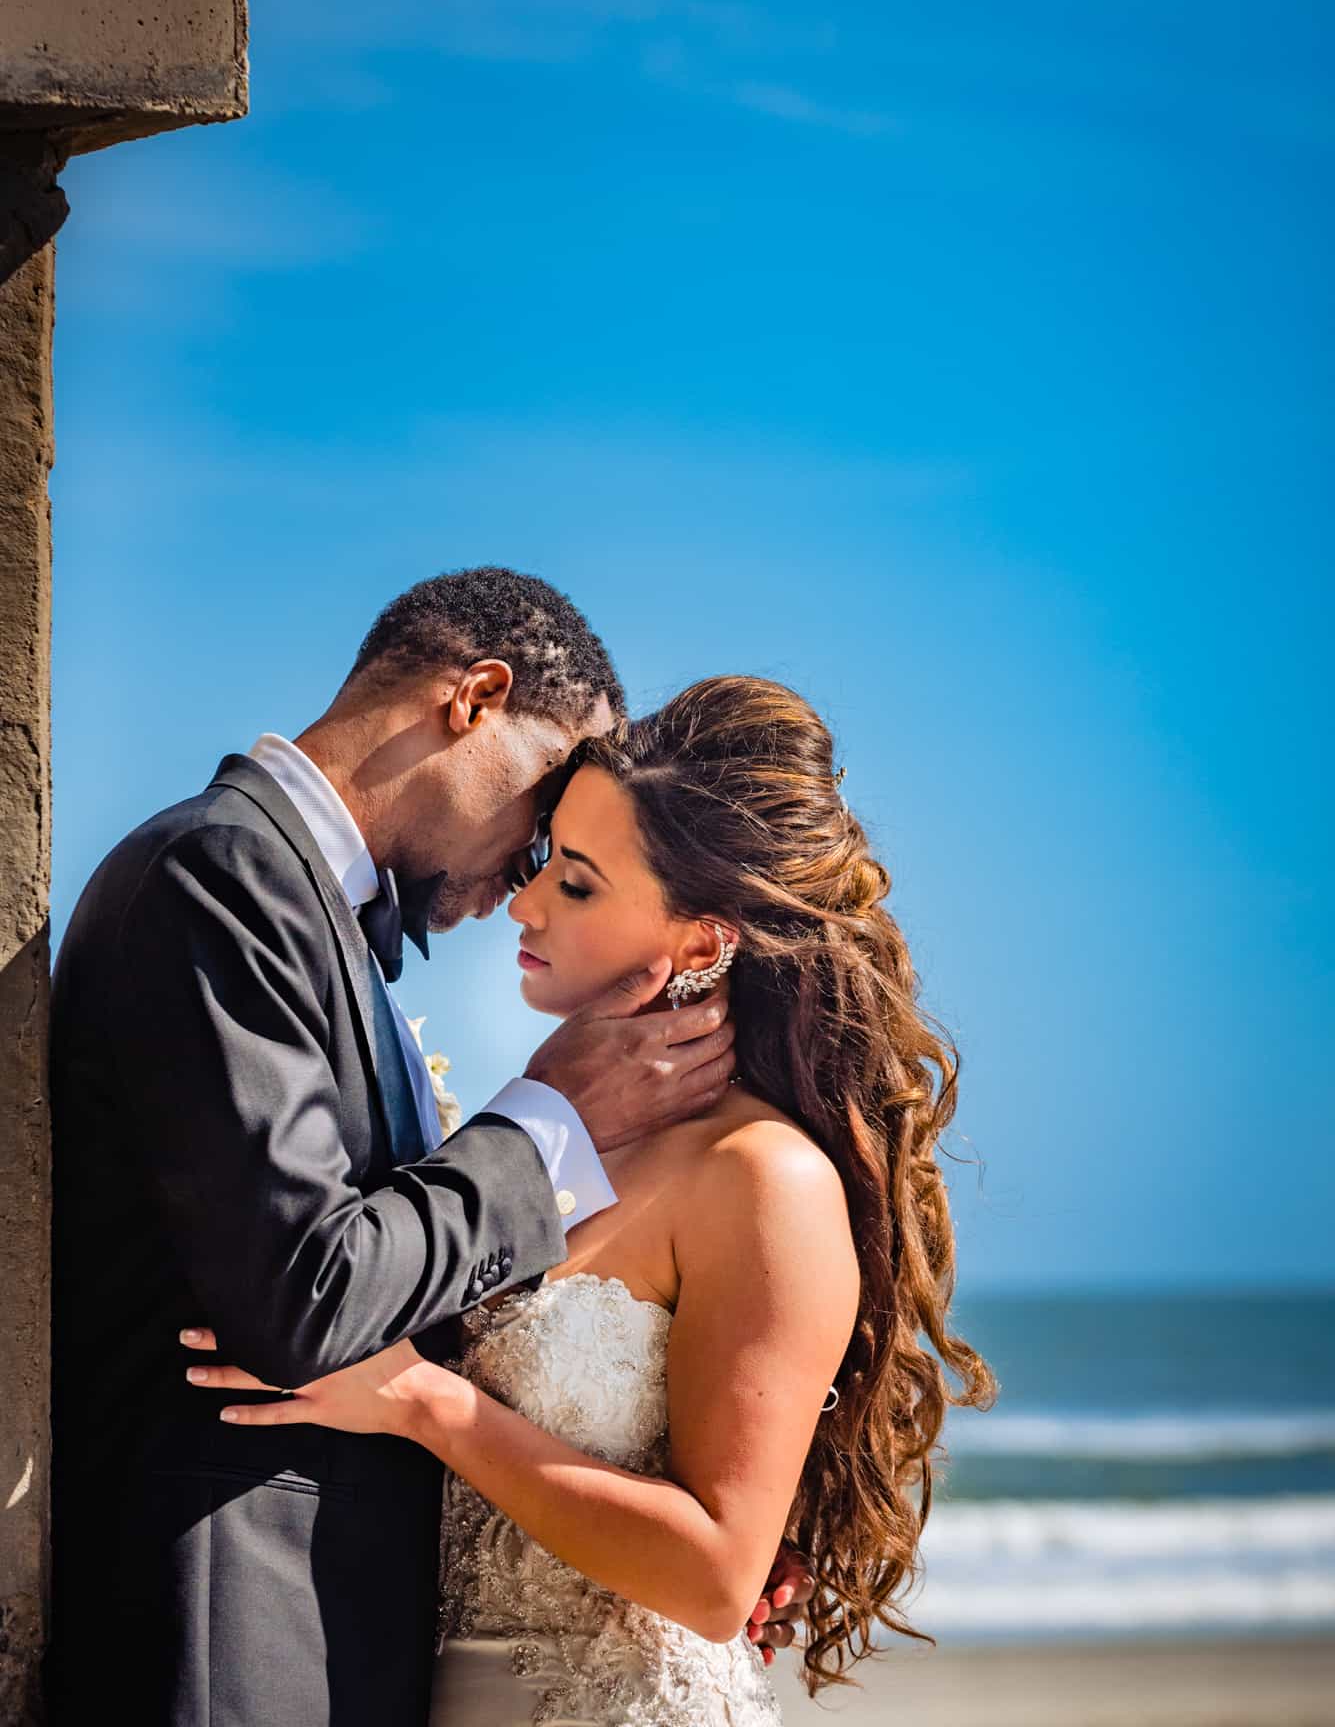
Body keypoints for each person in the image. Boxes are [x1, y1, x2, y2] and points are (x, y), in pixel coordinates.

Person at [48, 571, 808, 1727]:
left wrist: (692, 1499)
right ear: (477, 697)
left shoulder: (320, 921)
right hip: (230, 1635)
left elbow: (394, 1317)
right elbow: (308, 1299)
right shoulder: (223, 874)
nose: (529, 870)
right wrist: (547, 1119)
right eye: (547, 805)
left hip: (346, 1644)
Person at [184, 674, 995, 1725]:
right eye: (540, 863)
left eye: (576, 881)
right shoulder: (554, 1144)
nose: (523, 903)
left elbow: (712, 1576)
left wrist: (429, 1405)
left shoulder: (763, 1174)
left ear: (702, 943)